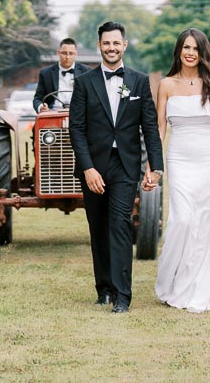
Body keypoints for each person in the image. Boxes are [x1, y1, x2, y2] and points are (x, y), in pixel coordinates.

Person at [69, 20, 164, 313]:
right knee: (98, 227)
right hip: (94, 167)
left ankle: (123, 296)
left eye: (116, 43)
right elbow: (77, 128)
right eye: (106, 43)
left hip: (125, 165)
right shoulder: (85, 82)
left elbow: (150, 126)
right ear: (99, 46)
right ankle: (104, 288)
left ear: (124, 45)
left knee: (120, 224)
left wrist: (156, 167)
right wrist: (87, 168)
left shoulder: (139, 81)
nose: (111, 48)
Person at [153, 29, 210, 312]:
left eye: (195, 48)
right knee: (181, 220)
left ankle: (194, 286)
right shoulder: (166, 85)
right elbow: (159, 128)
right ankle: (171, 282)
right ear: (178, 50)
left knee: (203, 225)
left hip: (208, 160)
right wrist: (153, 165)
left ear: (202, 51)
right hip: (179, 159)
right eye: (185, 47)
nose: (190, 53)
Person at [34, 38, 90, 112]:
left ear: (76, 54)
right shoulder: (45, 73)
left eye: (71, 53)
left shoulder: (87, 72)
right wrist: (41, 107)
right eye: (64, 53)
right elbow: (37, 98)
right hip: (53, 114)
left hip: (79, 115)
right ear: (58, 53)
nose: (67, 57)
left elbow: (93, 98)